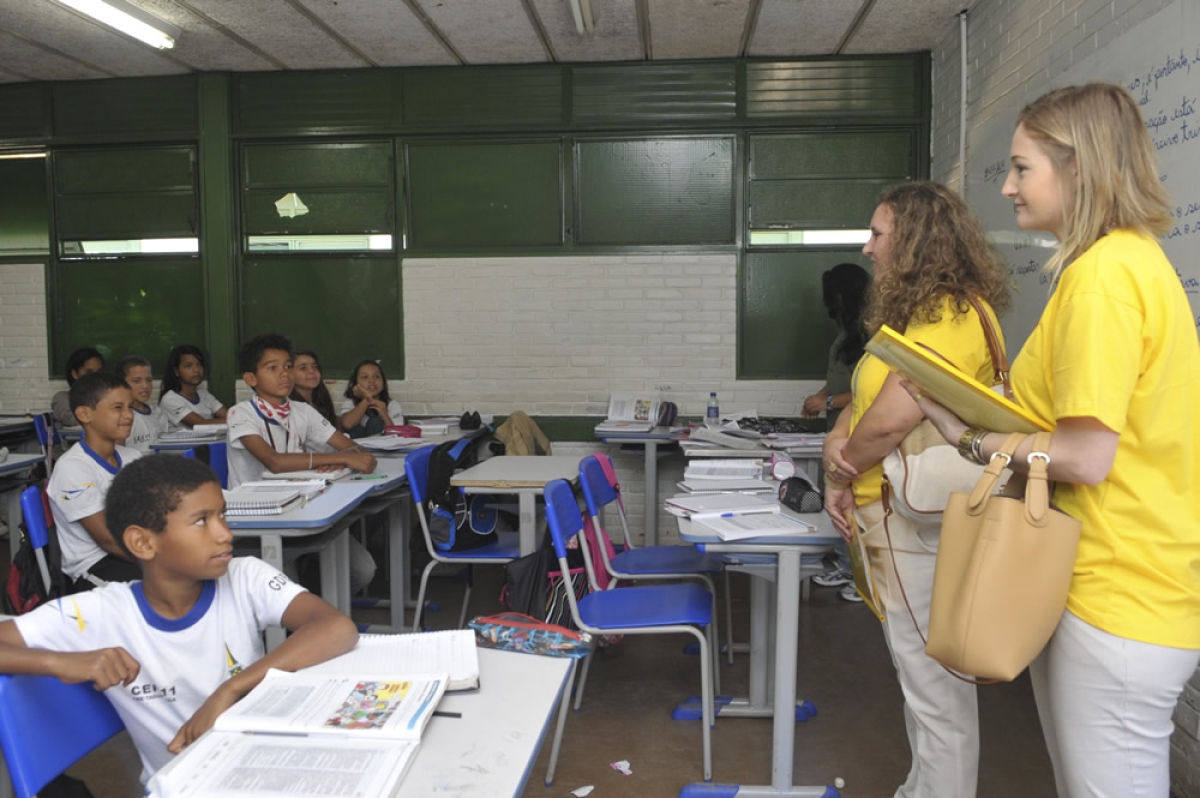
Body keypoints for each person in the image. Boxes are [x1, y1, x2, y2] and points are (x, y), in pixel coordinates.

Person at [909, 83, 1200, 798]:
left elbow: (1085, 456)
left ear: (1080, 168)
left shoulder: (1102, 279)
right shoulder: (1128, 262)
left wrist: (971, 439)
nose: (1006, 188)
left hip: (1118, 591)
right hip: (1120, 584)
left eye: (1021, 168)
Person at [0, 455, 359, 784]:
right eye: (202, 521)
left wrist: (230, 690)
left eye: (222, 515)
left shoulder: (245, 576)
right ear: (142, 543)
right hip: (182, 785)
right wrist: (59, 662)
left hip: (257, 772)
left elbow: (335, 627)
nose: (225, 533)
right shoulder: (101, 613)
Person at [822, 181, 1011, 798]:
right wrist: (838, 445)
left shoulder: (952, 316)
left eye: (878, 233)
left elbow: (895, 415)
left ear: (916, 240)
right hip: (892, 512)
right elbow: (869, 398)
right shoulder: (916, 314)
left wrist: (841, 465)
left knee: (938, 693)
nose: (868, 247)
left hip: (919, 523)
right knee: (920, 681)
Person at [225, 334, 379, 593]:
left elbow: (350, 447)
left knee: (362, 570)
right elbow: (274, 461)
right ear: (251, 379)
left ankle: (317, 609)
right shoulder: (240, 414)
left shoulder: (302, 411)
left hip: (304, 507)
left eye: (287, 366)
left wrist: (349, 458)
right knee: (285, 594)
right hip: (257, 521)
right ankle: (299, 619)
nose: (284, 374)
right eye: (272, 368)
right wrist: (337, 458)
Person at [803, 262, 872, 601]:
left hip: (857, 436)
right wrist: (821, 397)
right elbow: (841, 382)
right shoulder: (848, 334)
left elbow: (867, 393)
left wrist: (827, 401)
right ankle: (846, 566)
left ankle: (859, 577)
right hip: (837, 432)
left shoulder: (872, 335)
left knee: (851, 505)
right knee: (840, 503)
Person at [47, 371, 144, 588]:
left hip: (134, 548)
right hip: (95, 567)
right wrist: (164, 559)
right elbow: (108, 539)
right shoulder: (73, 468)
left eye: (130, 407)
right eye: (118, 408)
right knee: (176, 583)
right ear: (84, 414)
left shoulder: (132, 457)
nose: (128, 415)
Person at [159, 345, 228, 432]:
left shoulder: (204, 395)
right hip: (183, 445)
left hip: (207, 444)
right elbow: (200, 424)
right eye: (188, 366)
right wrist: (237, 422)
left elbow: (229, 415)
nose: (196, 370)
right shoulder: (170, 399)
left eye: (199, 365)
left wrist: (239, 419)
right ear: (176, 371)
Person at [114, 355, 168, 453]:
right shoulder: (120, 417)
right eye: (136, 381)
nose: (145, 386)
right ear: (121, 382)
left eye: (149, 380)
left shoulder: (158, 413)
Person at [339, 360, 403, 439]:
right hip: (357, 449)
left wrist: (384, 414)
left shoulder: (393, 405)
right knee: (357, 430)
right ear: (356, 384)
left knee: (375, 422)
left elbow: (397, 437)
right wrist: (367, 399)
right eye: (365, 377)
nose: (372, 381)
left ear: (383, 384)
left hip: (382, 449)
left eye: (376, 377)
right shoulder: (350, 403)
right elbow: (347, 425)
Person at [50, 346, 105, 427]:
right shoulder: (62, 398)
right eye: (89, 372)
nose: (95, 376)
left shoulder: (105, 397)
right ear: (75, 374)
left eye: (99, 372)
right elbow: (72, 420)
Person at [290, 348, 338, 428]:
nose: (312, 371)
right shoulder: (289, 407)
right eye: (303, 368)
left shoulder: (322, 401)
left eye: (315, 367)